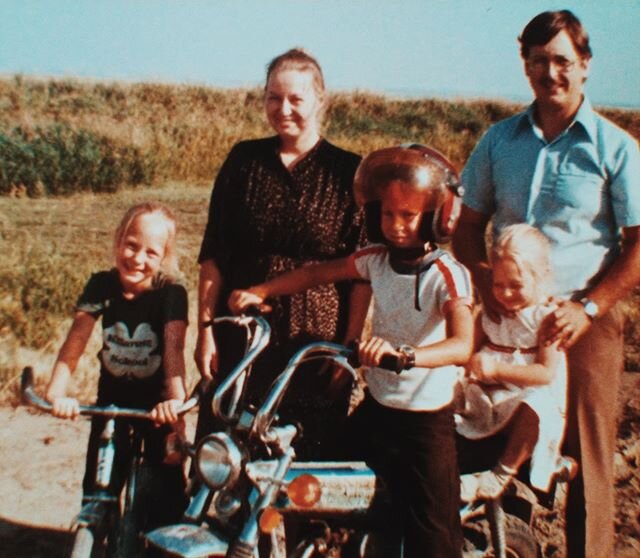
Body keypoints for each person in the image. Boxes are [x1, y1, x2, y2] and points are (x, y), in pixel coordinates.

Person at [452, 10, 640, 558]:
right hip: (505, 316)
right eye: (539, 61)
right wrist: (487, 286)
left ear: (584, 66)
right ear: (525, 65)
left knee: (586, 458)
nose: (550, 72)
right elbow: (466, 228)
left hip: (581, 319)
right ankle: (493, 543)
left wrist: (590, 307)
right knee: (486, 432)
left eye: (562, 60)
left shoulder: (616, 148)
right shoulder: (498, 141)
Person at [229, 144, 473, 558]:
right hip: (380, 408)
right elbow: (317, 272)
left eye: (409, 216)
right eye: (387, 214)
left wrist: (407, 355)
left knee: (432, 536)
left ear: (436, 218)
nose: (396, 226)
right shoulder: (376, 259)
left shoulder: (446, 274)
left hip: (425, 423)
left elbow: (462, 344)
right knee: (325, 483)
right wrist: (261, 291)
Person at [194, 48, 368, 460]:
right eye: (274, 97)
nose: (283, 108)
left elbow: (362, 272)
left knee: (302, 469)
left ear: (320, 100)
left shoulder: (349, 171)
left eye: (296, 99)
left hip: (313, 345)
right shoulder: (244, 161)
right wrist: (205, 331)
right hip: (240, 334)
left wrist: (349, 345)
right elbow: (212, 255)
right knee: (224, 457)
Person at [46, 202, 188, 530]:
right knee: (99, 490)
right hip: (111, 406)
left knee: (166, 502)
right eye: (131, 245)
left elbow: (173, 350)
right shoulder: (101, 285)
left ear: (164, 257)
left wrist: (176, 404)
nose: (137, 259)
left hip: (157, 407)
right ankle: (95, 534)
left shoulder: (171, 294)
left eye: (151, 253)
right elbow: (75, 341)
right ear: (118, 240)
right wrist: (56, 393)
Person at [455, 224, 567, 499]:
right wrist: (471, 364)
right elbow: (464, 350)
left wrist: (497, 368)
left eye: (516, 286)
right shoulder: (489, 314)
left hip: (521, 398)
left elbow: (545, 373)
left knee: (538, 406)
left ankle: (504, 471)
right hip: (489, 396)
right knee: (447, 386)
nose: (505, 294)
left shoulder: (547, 319)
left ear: (539, 279)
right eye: (498, 285)